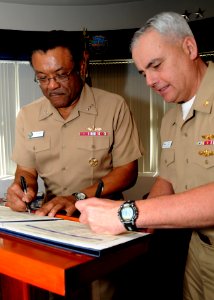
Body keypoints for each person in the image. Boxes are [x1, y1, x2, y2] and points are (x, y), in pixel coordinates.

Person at [76, 11, 214, 300]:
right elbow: (168, 179)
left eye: (156, 65)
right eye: (142, 73)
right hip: (198, 254)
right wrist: (134, 227)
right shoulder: (171, 120)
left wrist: (128, 214)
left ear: (189, 48)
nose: (150, 80)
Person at [6, 30, 144, 299]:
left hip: (104, 230)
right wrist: (21, 188)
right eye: (42, 78)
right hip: (52, 228)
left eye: (60, 75)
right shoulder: (28, 115)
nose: (52, 86)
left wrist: (78, 197)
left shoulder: (113, 106)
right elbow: (26, 171)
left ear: (81, 65)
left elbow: (127, 172)